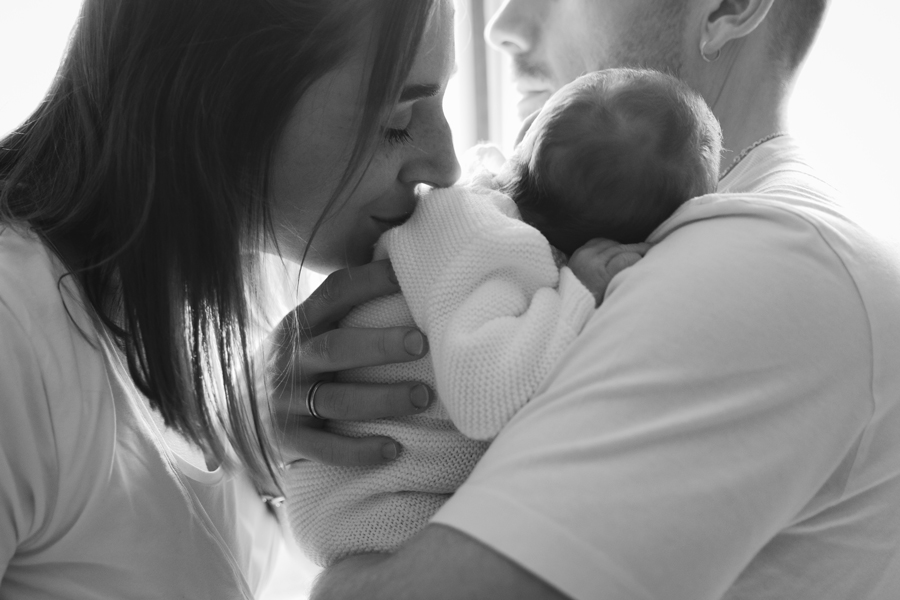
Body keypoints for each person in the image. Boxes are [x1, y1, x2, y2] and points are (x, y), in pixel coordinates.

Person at [307, 1, 900, 599]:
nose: (501, 25)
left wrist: (342, 568)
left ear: (726, 7)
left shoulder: (765, 266)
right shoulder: (580, 235)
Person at [0, 0, 462, 597]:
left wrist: (252, 441)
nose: (446, 165)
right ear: (221, 88)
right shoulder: (14, 330)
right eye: (396, 119)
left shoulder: (209, 323)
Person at [284, 67, 722, 567]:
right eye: (399, 122)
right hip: (370, 510)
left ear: (528, 134)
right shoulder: (497, 246)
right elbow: (485, 396)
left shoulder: (473, 208)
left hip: (350, 488)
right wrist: (578, 293)